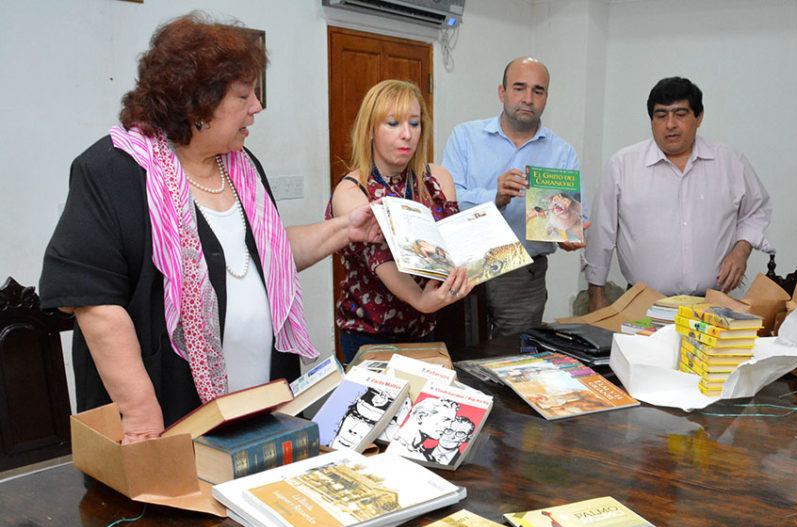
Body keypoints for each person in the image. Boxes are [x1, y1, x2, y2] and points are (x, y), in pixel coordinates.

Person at [39, 13, 380, 443]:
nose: (257, 106)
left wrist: (345, 229)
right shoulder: (111, 171)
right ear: (196, 102)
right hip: (165, 418)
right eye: (243, 95)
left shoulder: (243, 167)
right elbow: (94, 303)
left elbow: (261, 253)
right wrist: (142, 417)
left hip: (257, 406)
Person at [585, 77, 772, 311]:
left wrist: (741, 251)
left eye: (680, 114)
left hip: (712, 304)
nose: (670, 124)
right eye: (661, 116)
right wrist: (596, 297)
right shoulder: (622, 166)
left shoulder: (730, 162)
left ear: (699, 117)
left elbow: (757, 210)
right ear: (652, 120)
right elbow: (600, 235)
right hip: (642, 305)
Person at [330, 80, 472, 362]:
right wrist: (422, 300)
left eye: (415, 123)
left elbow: (452, 245)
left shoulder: (439, 179)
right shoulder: (352, 191)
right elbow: (382, 258)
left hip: (427, 326)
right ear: (371, 129)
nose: (407, 134)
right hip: (369, 335)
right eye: (393, 123)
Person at [443, 57, 585, 337]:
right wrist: (493, 197)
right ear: (502, 92)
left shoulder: (562, 152)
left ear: (546, 97)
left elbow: (570, 218)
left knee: (516, 360)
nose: (528, 98)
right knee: (461, 355)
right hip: (466, 268)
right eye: (519, 88)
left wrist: (570, 234)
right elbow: (446, 201)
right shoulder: (465, 137)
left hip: (524, 276)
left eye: (538, 91)